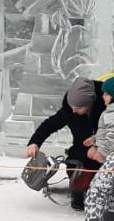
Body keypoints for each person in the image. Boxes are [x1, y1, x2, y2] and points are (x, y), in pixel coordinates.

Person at [27, 77, 107, 210]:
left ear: (90, 103)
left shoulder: (108, 110)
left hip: (107, 152)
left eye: (79, 108)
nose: (74, 111)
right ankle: (78, 193)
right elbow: (49, 125)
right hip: (81, 152)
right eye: (72, 107)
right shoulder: (69, 111)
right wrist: (34, 143)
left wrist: (99, 148)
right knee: (78, 172)